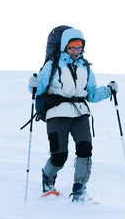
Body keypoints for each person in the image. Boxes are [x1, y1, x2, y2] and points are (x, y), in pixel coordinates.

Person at [28, 27, 118, 202]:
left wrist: (108, 91)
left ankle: (79, 188)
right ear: (64, 47)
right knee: (59, 154)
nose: (76, 51)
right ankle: (48, 178)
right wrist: (33, 84)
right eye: (72, 48)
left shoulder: (85, 67)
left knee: (85, 149)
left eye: (79, 48)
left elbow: (91, 94)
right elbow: (39, 88)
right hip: (57, 113)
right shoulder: (53, 64)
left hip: (80, 113)